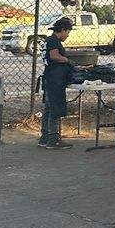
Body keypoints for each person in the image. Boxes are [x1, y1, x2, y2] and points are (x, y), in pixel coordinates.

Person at [40, 18, 74, 149]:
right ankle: (53, 138)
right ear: (63, 30)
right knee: (55, 108)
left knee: (48, 108)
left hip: (50, 77)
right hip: (55, 79)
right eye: (68, 32)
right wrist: (67, 60)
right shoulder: (54, 41)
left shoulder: (49, 40)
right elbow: (54, 56)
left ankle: (44, 136)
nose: (68, 35)